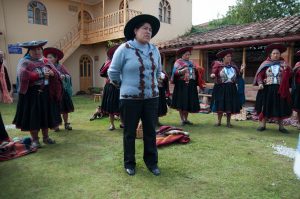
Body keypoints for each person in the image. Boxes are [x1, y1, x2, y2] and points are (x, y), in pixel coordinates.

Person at [108, 14, 161, 176]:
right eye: (145, 28)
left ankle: (152, 163)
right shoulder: (124, 49)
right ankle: (129, 163)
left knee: (150, 132)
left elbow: (158, 72)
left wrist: (155, 83)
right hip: (129, 99)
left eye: (150, 29)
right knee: (130, 132)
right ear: (135, 30)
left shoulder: (155, 50)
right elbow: (113, 71)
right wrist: (121, 85)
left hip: (151, 98)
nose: (148, 31)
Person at [13, 40, 63, 148]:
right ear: (29, 51)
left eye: (39, 49)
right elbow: (22, 75)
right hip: (31, 95)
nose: (37, 51)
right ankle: (35, 140)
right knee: (34, 117)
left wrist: (52, 73)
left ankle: (46, 137)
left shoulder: (46, 61)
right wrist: (38, 75)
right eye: (34, 49)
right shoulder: (24, 62)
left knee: (45, 115)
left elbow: (57, 73)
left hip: (45, 93)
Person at [253, 43, 292, 133]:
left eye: (277, 53)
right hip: (267, 89)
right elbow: (260, 75)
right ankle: (263, 125)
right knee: (265, 106)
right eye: (274, 53)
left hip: (280, 90)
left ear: (280, 54)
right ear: (270, 54)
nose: (275, 55)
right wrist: (260, 83)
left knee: (280, 106)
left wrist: (286, 70)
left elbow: (290, 76)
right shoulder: (265, 64)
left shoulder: (284, 64)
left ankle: (281, 127)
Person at [210, 49, 244, 127]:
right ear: (223, 58)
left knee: (230, 104)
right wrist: (212, 75)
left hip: (231, 88)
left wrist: (241, 71)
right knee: (220, 104)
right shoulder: (218, 66)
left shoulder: (234, 67)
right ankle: (219, 121)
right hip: (220, 88)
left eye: (230, 56)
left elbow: (238, 77)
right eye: (227, 56)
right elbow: (213, 73)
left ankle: (228, 122)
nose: (229, 58)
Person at [43, 47, 74, 131]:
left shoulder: (60, 66)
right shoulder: (46, 67)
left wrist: (64, 77)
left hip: (62, 91)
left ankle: (66, 124)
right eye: (47, 57)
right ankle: (56, 125)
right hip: (52, 92)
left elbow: (68, 76)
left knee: (65, 109)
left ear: (56, 58)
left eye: (50, 57)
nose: (48, 59)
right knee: (55, 109)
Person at [170, 47, 202, 126]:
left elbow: (197, 71)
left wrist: (198, 69)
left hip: (191, 84)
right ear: (182, 55)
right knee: (182, 101)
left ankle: (186, 119)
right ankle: (182, 119)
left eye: (189, 55)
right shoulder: (178, 62)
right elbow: (175, 72)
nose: (188, 56)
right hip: (181, 85)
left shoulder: (192, 62)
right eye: (186, 55)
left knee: (188, 101)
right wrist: (182, 71)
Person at [99, 44, 123, 130]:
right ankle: (112, 125)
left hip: (122, 87)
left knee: (122, 106)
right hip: (110, 87)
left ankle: (123, 123)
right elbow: (101, 73)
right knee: (110, 107)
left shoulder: (123, 62)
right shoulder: (108, 63)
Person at [0, 50, 13, 142]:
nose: (1, 58)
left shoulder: (2, 67)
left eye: (1, 56)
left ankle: (3, 138)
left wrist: (7, 91)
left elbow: (6, 80)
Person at [292, 50, 300, 129]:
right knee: (298, 106)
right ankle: (299, 122)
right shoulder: (298, 64)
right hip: (298, 88)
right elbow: (292, 74)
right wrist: (295, 68)